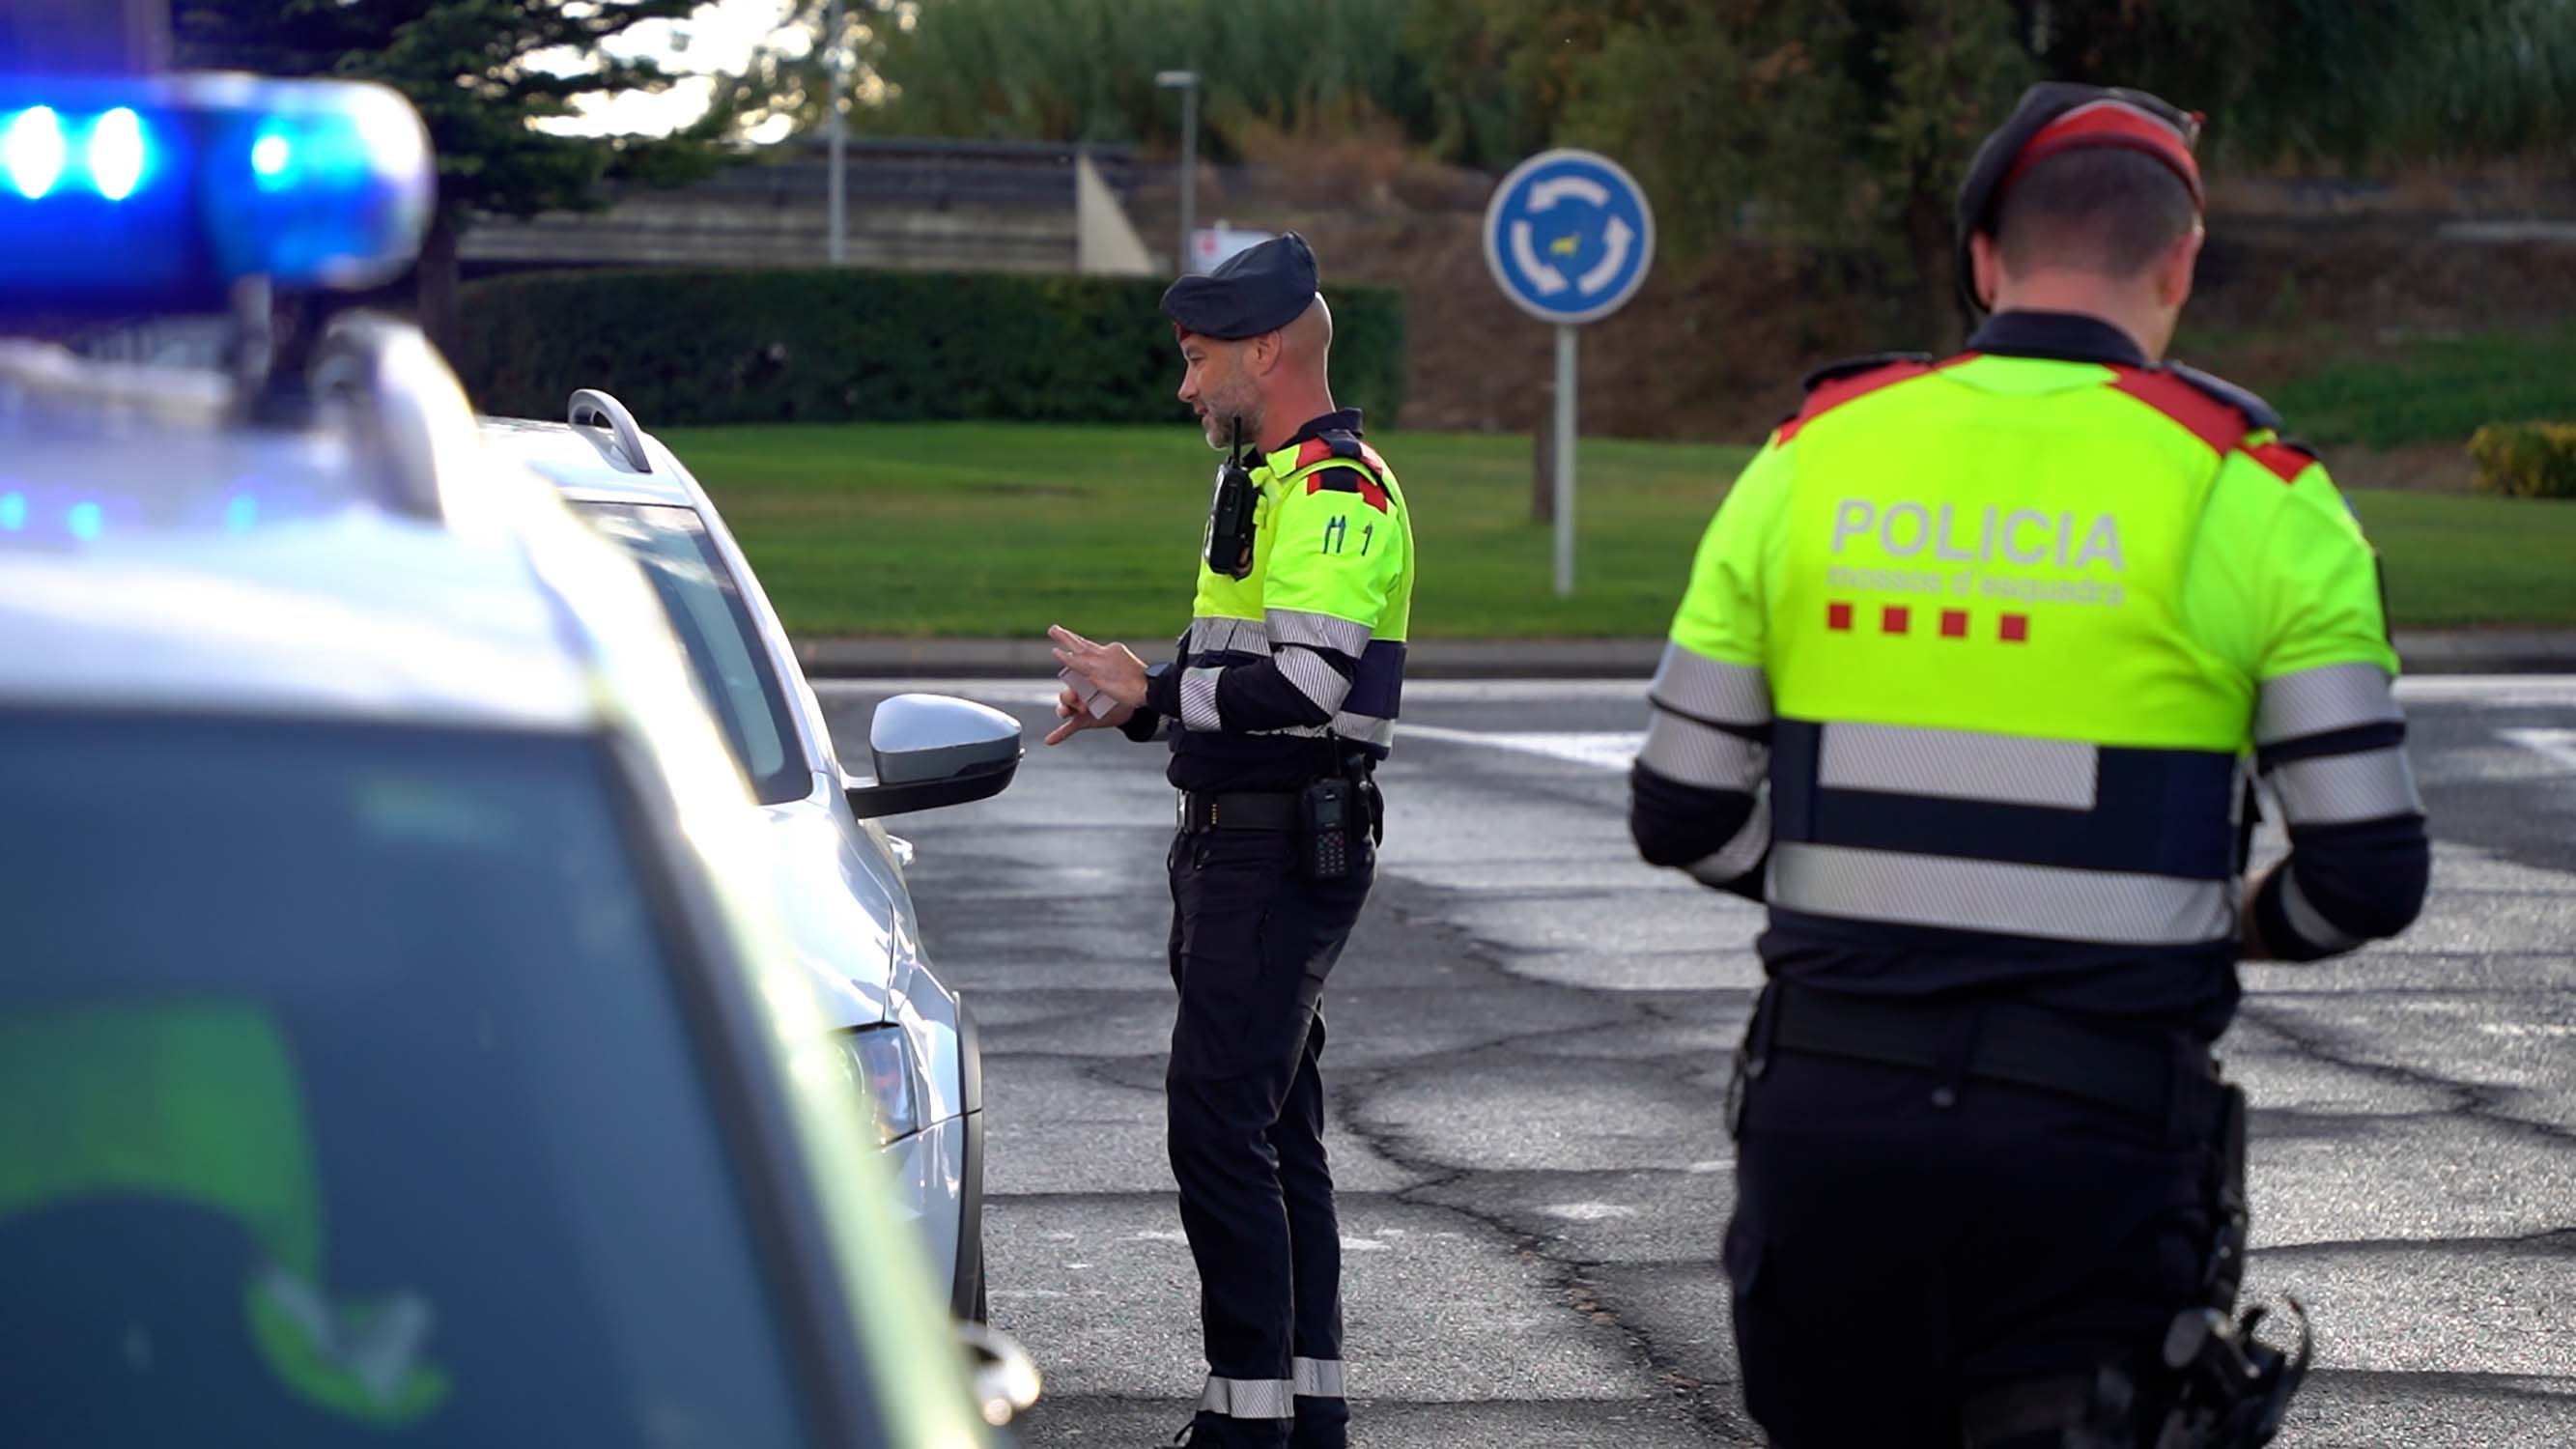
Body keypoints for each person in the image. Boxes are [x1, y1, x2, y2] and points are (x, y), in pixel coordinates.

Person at [1628, 84, 2428, 1448]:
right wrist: (2220, 920)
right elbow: (2364, 870)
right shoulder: (2255, 489)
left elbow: (1680, 808)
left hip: (1827, 1130)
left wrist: (1843, 883)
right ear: (2177, 261)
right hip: (2093, 1144)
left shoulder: (1808, 455)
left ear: (1984, 260)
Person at [1048, 231, 1415, 1449]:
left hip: (1276, 851)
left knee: (1217, 1121)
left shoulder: (1333, 489)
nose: (1185, 386)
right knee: (1269, 1123)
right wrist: (1139, 694)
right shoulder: (1261, 481)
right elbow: (1233, 673)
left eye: (1200, 360)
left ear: (1266, 349)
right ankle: (1302, 1409)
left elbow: (1307, 686)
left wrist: (1149, 695)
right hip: (1238, 845)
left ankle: (1246, 1421)